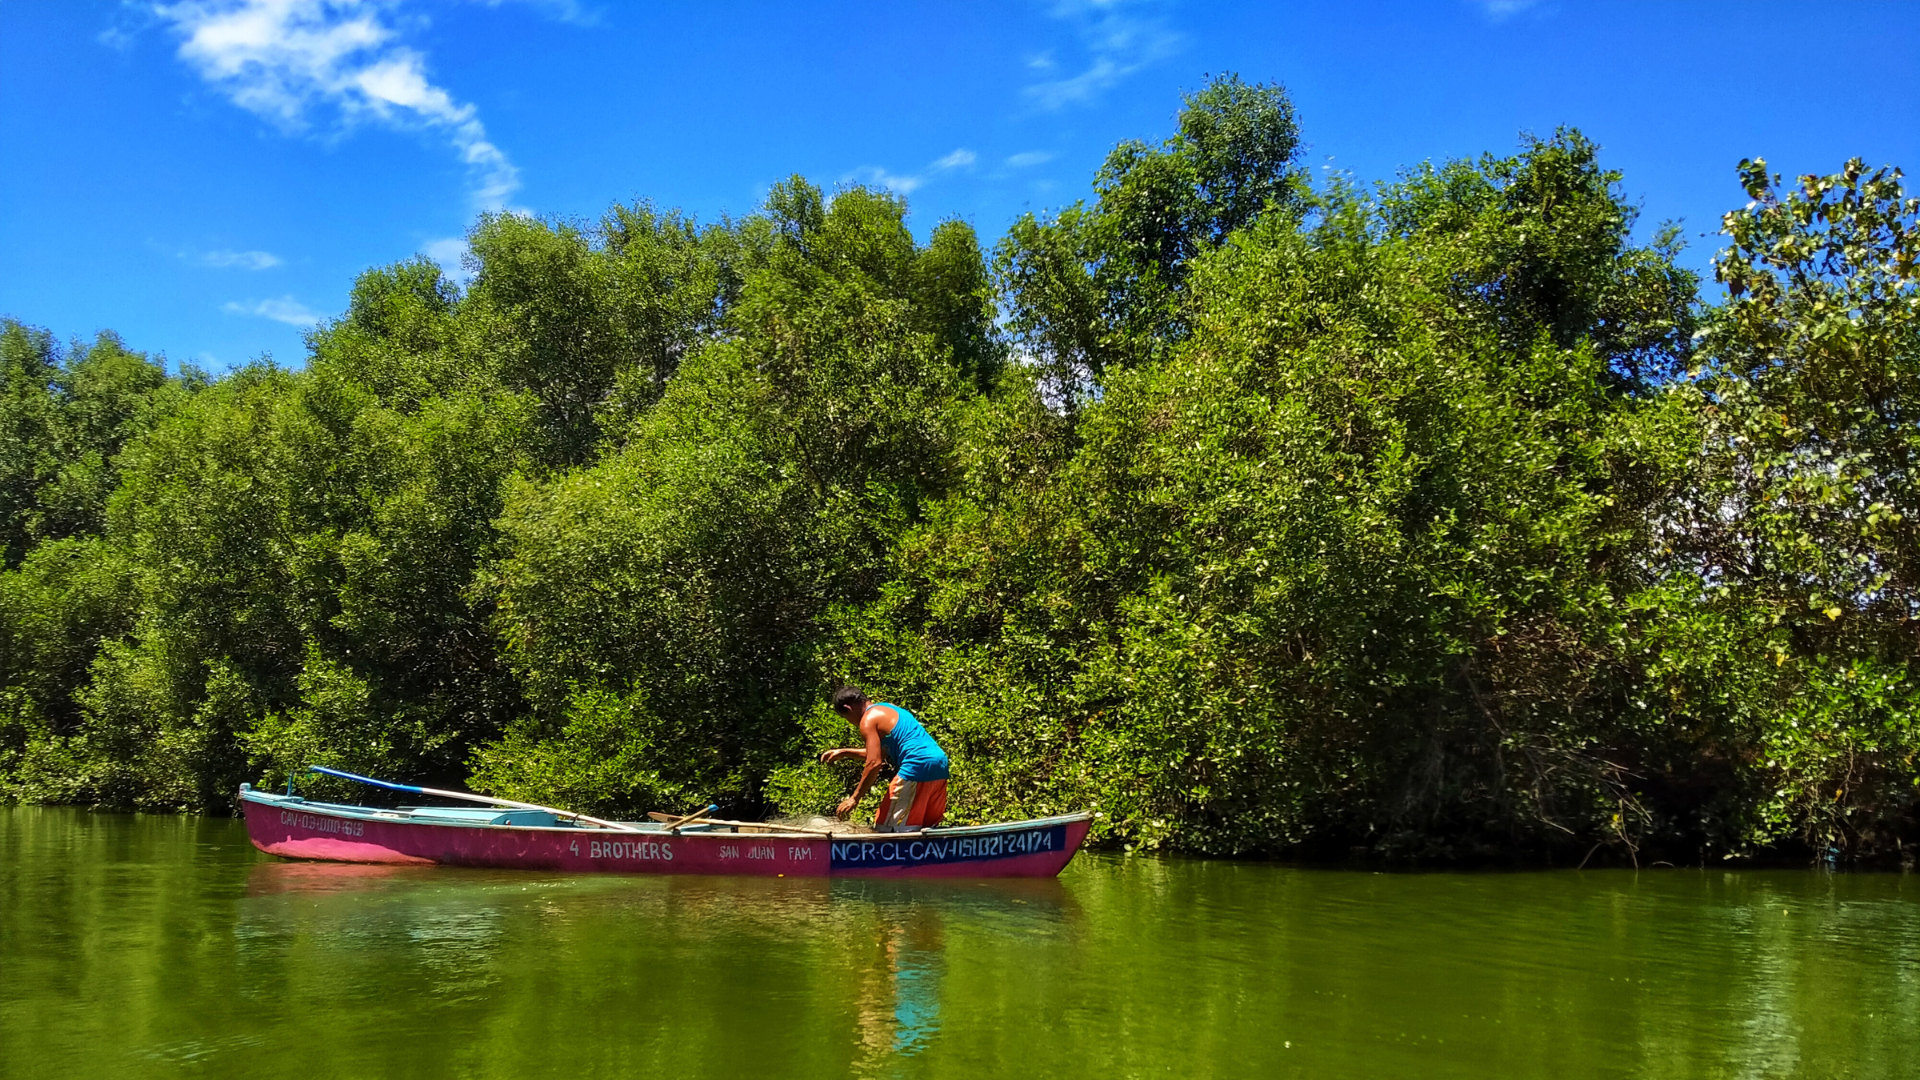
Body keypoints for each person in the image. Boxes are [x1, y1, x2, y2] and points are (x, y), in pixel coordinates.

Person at [818, 686, 949, 830]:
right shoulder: (889, 708)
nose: (850, 723)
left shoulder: (868, 720)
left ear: (848, 708)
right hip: (940, 763)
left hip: (916, 764)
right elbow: (879, 754)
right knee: (925, 827)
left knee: (886, 828)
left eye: (846, 718)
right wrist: (844, 752)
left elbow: (874, 762)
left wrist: (854, 798)